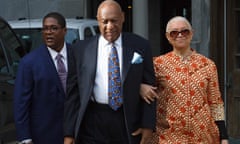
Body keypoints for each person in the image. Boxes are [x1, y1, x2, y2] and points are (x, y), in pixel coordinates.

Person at [63, 0, 156, 144]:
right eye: (104, 21)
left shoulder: (140, 45)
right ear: (98, 20)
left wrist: (148, 125)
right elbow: (73, 94)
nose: (109, 26)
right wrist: (69, 133)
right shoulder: (81, 49)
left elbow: (151, 89)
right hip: (93, 120)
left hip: (126, 120)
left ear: (123, 17)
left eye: (114, 21)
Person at [142, 16, 229, 144]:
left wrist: (224, 136)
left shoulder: (208, 65)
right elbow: (142, 92)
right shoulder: (157, 64)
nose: (180, 35)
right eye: (174, 32)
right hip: (168, 137)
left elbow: (216, 103)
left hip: (204, 137)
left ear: (192, 33)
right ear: (167, 37)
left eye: (185, 31)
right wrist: (140, 87)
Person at [14, 12, 71, 144]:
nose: (48, 32)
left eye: (53, 28)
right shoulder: (29, 63)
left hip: (75, 134)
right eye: (45, 28)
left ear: (64, 31)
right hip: (43, 135)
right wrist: (25, 138)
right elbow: (21, 104)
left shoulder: (77, 55)